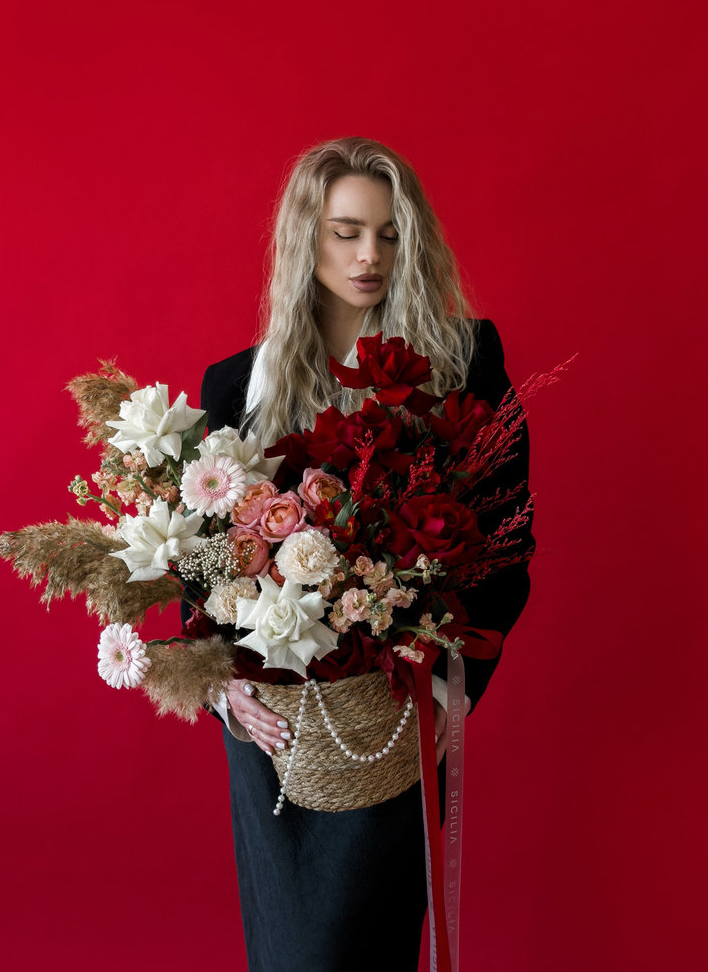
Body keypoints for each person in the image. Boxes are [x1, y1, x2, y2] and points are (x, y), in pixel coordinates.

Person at [200, 137, 533, 971]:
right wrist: (220, 688)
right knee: (287, 953)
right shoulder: (235, 385)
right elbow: (204, 569)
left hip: (393, 716)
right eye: (346, 233)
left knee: (359, 950)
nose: (369, 256)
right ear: (304, 238)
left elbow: (507, 546)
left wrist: (450, 691)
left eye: (389, 234)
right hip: (275, 737)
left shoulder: (462, 363)